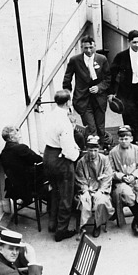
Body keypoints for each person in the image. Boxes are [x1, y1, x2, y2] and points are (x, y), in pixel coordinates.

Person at [62, 35, 113, 149]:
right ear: (81, 48)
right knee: (91, 127)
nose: (89, 50)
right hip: (83, 99)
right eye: (86, 48)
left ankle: (101, 151)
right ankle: (93, 151)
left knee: (100, 128)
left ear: (95, 46)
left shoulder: (102, 59)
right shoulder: (75, 60)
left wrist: (99, 87)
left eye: (91, 47)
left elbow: (108, 78)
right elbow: (67, 78)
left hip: (99, 99)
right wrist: (67, 95)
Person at [43, 89, 81, 242]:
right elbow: (67, 150)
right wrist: (76, 154)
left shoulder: (51, 115)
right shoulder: (64, 121)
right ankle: (61, 230)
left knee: (55, 192)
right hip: (61, 159)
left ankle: (52, 224)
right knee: (66, 195)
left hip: (48, 155)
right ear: (68, 102)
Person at [109, 29, 138, 150]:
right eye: (134, 42)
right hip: (126, 94)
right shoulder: (121, 56)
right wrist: (111, 93)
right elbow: (112, 75)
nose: (137, 45)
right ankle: (129, 148)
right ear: (129, 42)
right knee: (129, 122)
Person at [108, 125, 138, 236]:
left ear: (131, 139)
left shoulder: (137, 150)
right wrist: (122, 176)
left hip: (135, 178)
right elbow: (110, 171)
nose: (124, 141)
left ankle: (136, 221)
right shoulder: (113, 152)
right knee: (127, 194)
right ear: (118, 139)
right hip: (121, 181)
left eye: (126, 138)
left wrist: (134, 176)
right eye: (121, 139)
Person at [75, 135, 115, 238]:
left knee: (101, 202)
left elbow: (108, 176)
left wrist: (101, 191)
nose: (93, 153)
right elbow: (80, 178)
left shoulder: (104, 159)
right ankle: (82, 227)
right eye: (90, 150)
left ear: (99, 149)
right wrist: (85, 190)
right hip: (87, 189)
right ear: (86, 149)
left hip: (101, 189)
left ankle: (98, 225)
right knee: (84, 201)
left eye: (95, 150)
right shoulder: (81, 162)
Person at [0, 125, 44, 204]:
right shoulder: (21, 148)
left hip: (15, 186)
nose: (19, 136)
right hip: (29, 185)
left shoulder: (4, 153)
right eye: (17, 134)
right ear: (11, 138)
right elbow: (38, 159)